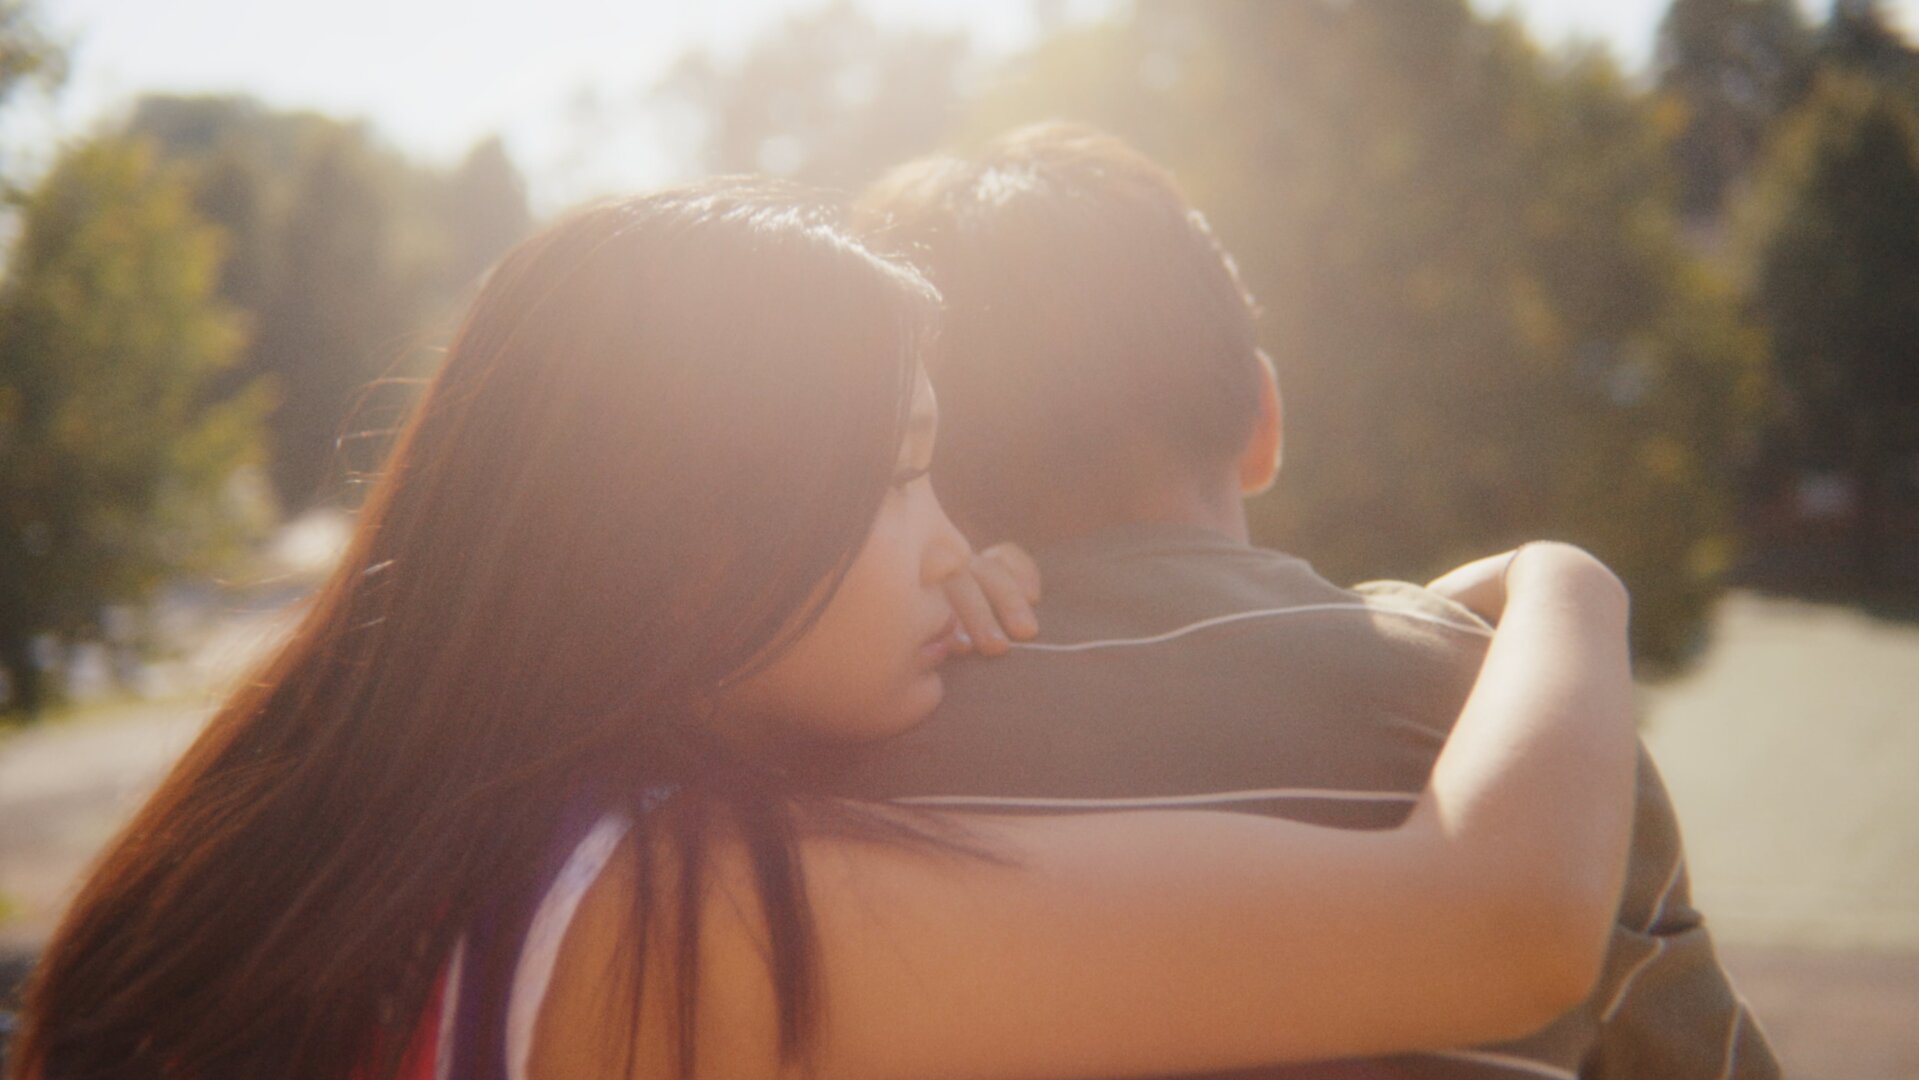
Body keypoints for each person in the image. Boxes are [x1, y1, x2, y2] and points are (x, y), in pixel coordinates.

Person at [11, 181, 1637, 1080]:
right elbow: (1496, 916)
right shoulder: (645, 916)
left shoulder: (317, 844)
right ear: (691, 545)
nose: (954, 548)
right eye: (906, 477)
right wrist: (1561, 582)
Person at [837, 122, 1779, 1078]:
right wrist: (1561, 587)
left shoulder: (826, 745)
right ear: (1263, 418)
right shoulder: (1525, 722)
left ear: (920, 454)